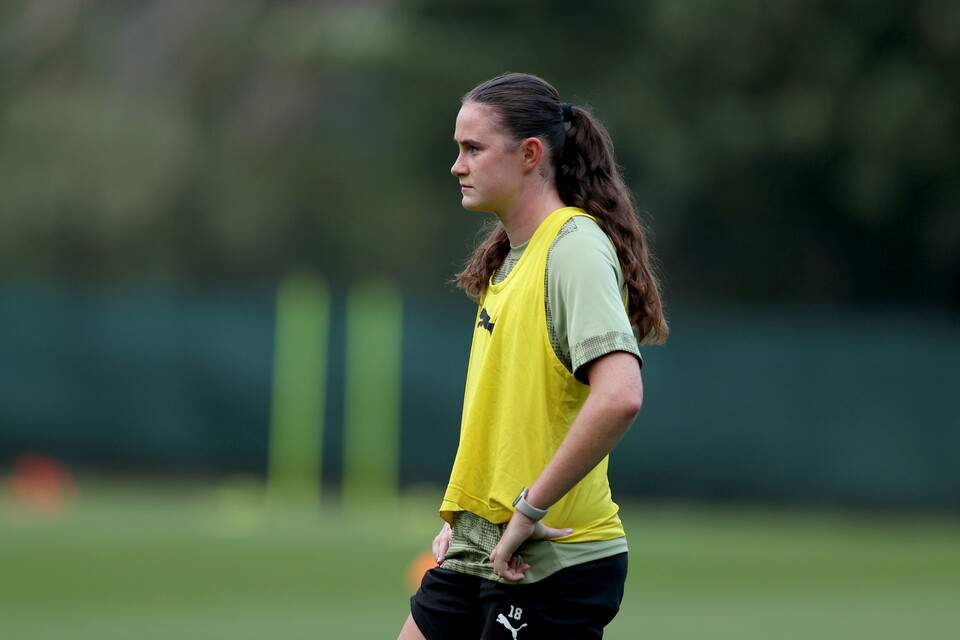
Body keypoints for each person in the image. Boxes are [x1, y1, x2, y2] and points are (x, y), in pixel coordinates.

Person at [398, 72, 668, 640]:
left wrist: (528, 510)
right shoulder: (508, 258)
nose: (457, 165)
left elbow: (619, 396)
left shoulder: (574, 247)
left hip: (550, 559)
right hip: (481, 549)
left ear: (529, 154)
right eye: (458, 149)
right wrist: (466, 518)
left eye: (472, 149)